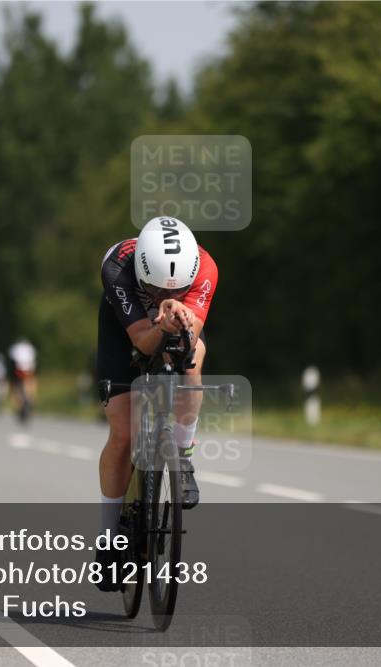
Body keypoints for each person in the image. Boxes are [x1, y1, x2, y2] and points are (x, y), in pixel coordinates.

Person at [94, 216, 218, 589]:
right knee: (124, 431)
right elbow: (141, 343)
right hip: (125, 330)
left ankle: (182, 451)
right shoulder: (118, 266)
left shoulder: (206, 268)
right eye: (156, 288)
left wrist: (177, 324)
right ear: (142, 272)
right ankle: (108, 539)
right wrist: (160, 326)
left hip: (173, 327)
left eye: (177, 291)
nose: (167, 296)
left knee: (193, 355)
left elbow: (185, 342)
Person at [7, 338, 37, 419]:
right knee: (30, 382)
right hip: (29, 369)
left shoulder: (15, 347)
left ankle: (19, 404)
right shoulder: (30, 347)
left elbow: (12, 359)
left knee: (15, 386)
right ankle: (31, 399)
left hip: (18, 370)